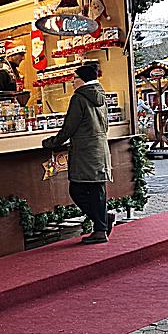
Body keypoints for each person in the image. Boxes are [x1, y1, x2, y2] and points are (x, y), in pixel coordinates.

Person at [42, 64, 113, 244]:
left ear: (82, 80)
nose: (73, 82)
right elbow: (105, 125)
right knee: (98, 190)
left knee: (77, 190)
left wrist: (52, 143)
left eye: (74, 79)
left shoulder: (79, 98)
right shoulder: (101, 96)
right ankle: (101, 224)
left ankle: (101, 225)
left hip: (84, 152)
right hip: (100, 149)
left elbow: (69, 128)